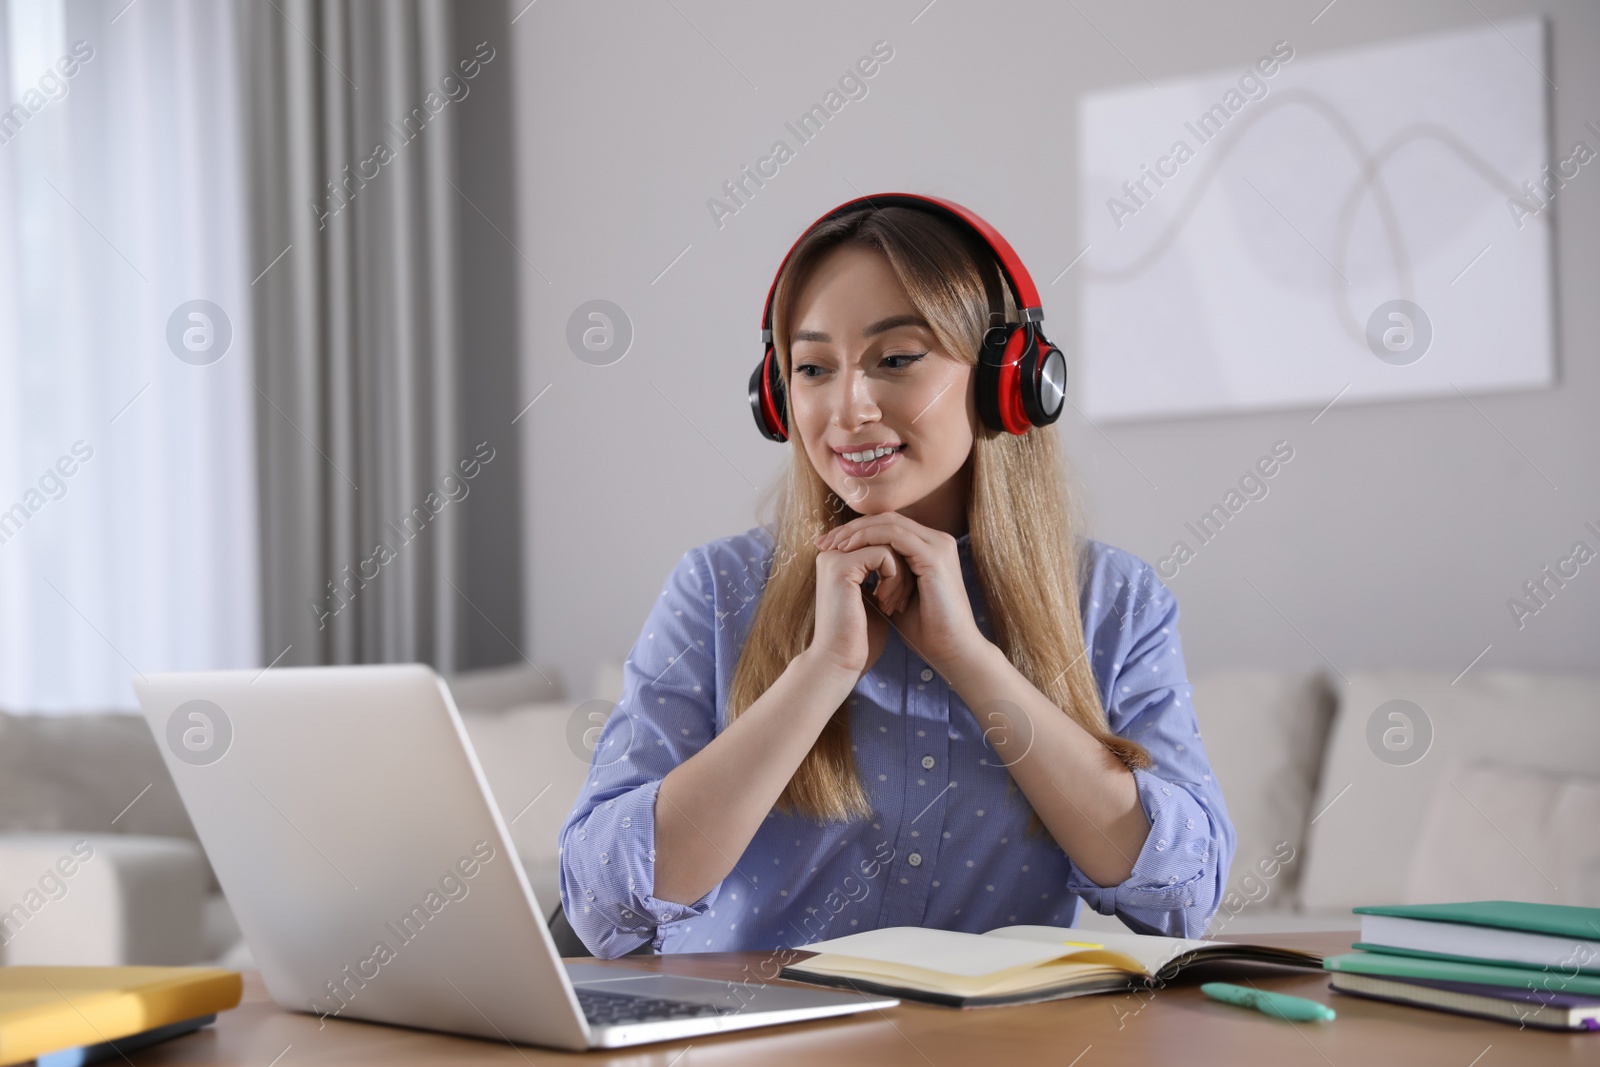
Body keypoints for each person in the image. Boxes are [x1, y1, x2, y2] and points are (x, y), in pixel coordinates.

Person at [558, 195, 1234, 959]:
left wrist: (972, 660)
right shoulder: (717, 590)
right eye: (812, 368)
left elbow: (1182, 895)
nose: (849, 408)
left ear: (1005, 378)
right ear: (780, 399)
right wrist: (823, 669)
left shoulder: (1113, 603)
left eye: (897, 359)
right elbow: (601, 902)